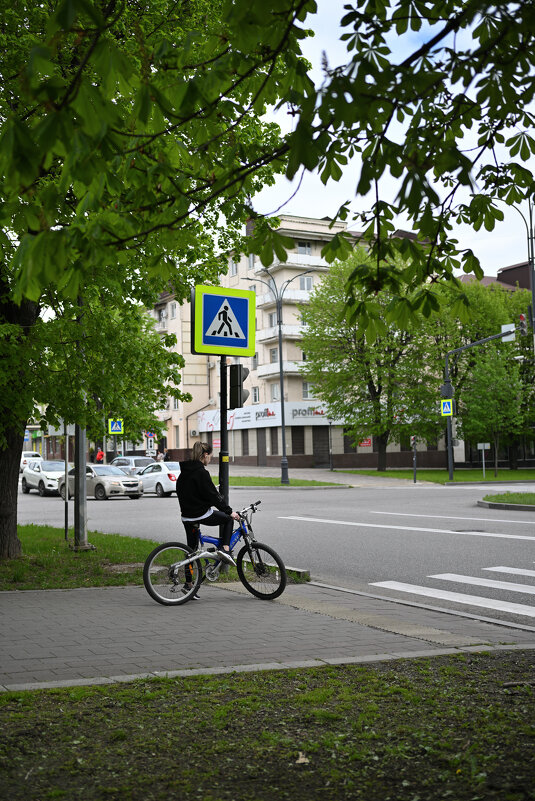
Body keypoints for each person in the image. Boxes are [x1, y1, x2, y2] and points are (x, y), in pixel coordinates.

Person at [176, 441, 240, 599]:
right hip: (200, 514)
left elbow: (185, 492)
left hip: (186, 516)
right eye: (210, 456)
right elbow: (213, 496)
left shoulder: (184, 472)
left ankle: (189, 585)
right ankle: (225, 550)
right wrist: (229, 511)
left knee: (191, 550)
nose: (210, 459)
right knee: (227, 520)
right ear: (204, 455)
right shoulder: (202, 473)